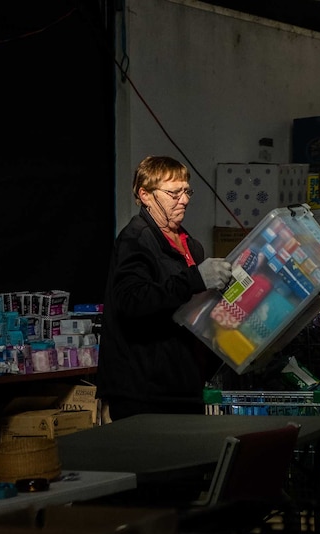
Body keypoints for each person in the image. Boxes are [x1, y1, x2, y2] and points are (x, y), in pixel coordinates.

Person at [96, 155, 233, 420]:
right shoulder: (135, 239)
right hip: (145, 390)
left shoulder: (190, 245)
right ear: (145, 195)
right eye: (173, 193)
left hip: (183, 384)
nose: (184, 200)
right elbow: (131, 300)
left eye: (186, 191)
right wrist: (195, 280)